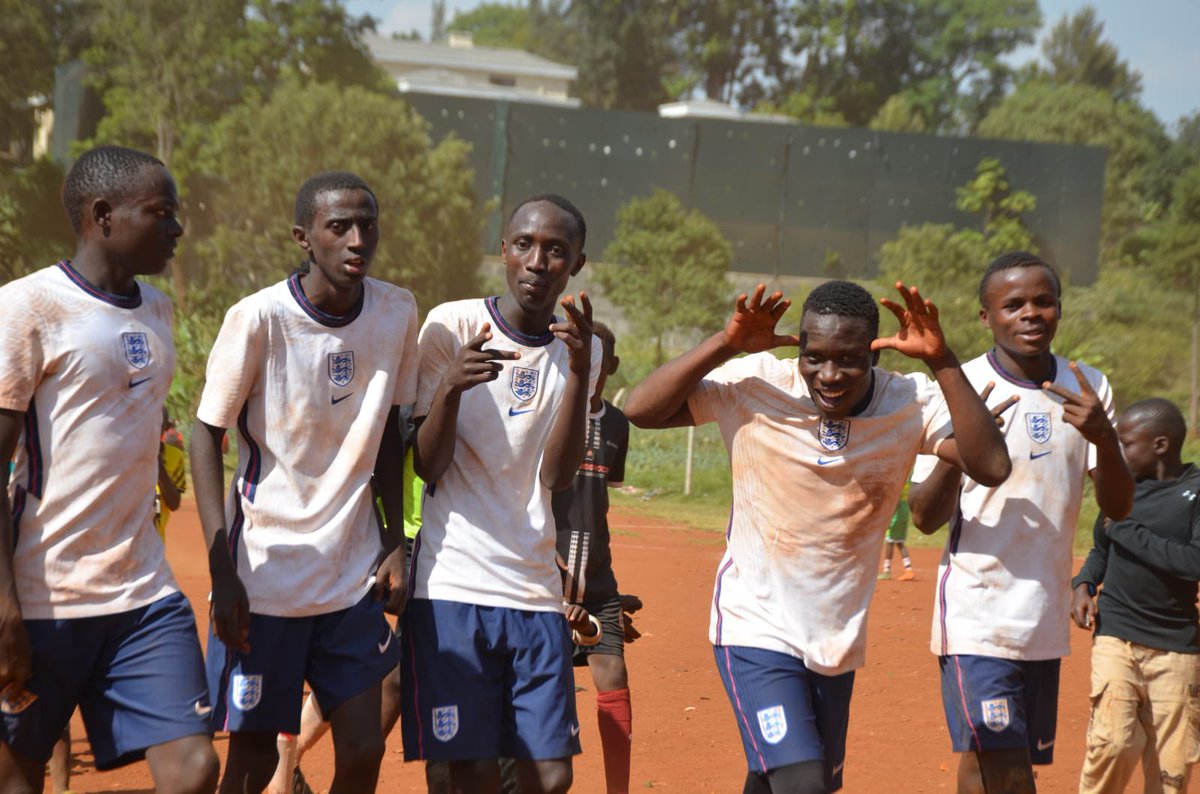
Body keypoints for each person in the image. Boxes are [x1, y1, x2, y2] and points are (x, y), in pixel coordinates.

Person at [625, 279, 1011, 793]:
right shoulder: (757, 381)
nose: (828, 375)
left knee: (786, 780)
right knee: (801, 782)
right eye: (814, 357)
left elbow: (990, 465)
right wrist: (727, 342)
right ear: (799, 350)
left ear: (874, 353)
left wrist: (942, 361)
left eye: (849, 360)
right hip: (755, 625)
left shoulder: (909, 402)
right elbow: (639, 412)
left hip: (835, 637)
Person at [0, 145, 219, 792]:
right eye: (161, 212)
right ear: (102, 215)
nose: (178, 228)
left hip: (141, 595)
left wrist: (160, 469)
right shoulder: (26, 308)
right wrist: (3, 606)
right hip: (43, 597)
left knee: (195, 768)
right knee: (17, 779)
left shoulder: (159, 310)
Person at [191, 171, 415, 794]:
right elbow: (206, 432)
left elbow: (393, 430)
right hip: (267, 574)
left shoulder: (397, 310)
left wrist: (394, 537)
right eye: (338, 226)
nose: (356, 239)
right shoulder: (260, 317)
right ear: (303, 237)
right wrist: (222, 570)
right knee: (255, 758)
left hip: (350, 571)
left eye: (366, 225)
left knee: (366, 747)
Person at [908, 251, 1135, 794]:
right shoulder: (959, 385)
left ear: (1059, 309)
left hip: (1042, 618)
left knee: (987, 762)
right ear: (986, 316)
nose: (1030, 313)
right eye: (1012, 305)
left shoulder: (1089, 386)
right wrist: (957, 450)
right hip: (976, 612)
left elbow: (1120, 508)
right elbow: (923, 516)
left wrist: (1105, 437)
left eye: (1044, 301)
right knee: (1007, 771)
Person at [400, 193, 600, 794]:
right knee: (471, 772)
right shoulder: (453, 325)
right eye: (525, 245)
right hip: (452, 582)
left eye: (555, 251)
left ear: (576, 264)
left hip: (533, 586)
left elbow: (560, 477)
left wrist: (582, 372)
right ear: (505, 250)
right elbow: (426, 465)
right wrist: (450, 391)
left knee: (551, 774)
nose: (538, 262)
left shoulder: (574, 349)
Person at [1070, 398, 1200, 793]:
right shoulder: (1121, 489)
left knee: (1170, 769)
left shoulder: (1195, 493)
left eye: (1126, 443)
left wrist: (1126, 530)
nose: (1117, 452)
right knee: (1112, 743)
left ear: (1160, 445)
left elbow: (1194, 561)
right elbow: (1101, 550)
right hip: (1117, 633)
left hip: (1176, 647)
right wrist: (1084, 584)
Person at [552, 320, 636, 794]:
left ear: (611, 366)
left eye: (598, 359)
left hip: (599, 585)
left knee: (615, 677)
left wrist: (611, 590)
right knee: (549, 696)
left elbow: (596, 505)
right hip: (546, 583)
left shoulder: (618, 425)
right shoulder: (550, 414)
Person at [156, 408, 187, 541]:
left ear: (166, 427)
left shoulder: (175, 457)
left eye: (159, 424)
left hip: (155, 542)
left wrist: (157, 464)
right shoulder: (126, 455)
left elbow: (174, 504)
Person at [879, 484, 915, 581]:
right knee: (899, 542)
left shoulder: (900, 480)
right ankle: (908, 570)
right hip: (904, 511)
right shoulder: (907, 479)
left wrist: (889, 517)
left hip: (897, 513)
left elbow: (895, 499)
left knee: (889, 541)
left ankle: (887, 571)